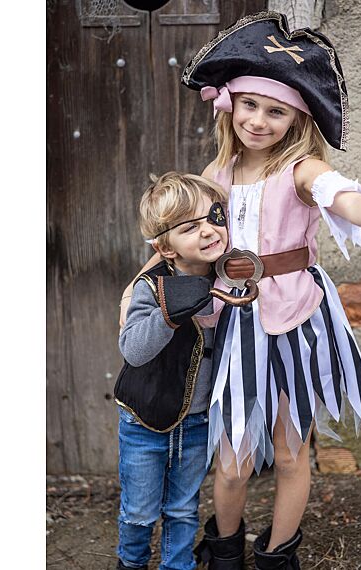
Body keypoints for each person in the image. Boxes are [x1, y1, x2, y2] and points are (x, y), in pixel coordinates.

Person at [120, 11, 361, 570]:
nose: (258, 120)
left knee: (289, 450)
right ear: (230, 104)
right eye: (249, 104)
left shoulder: (299, 169)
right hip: (233, 320)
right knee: (232, 458)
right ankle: (224, 550)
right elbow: (181, 239)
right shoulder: (216, 174)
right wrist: (147, 288)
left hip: (294, 320)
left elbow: (339, 193)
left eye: (276, 111)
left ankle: (278, 555)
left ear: (296, 118)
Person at [114, 172, 237, 570]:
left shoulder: (230, 278)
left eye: (213, 217)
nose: (208, 231)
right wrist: (168, 316)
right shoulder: (152, 287)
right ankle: (131, 563)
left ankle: (178, 565)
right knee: (139, 512)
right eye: (189, 228)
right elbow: (133, 350)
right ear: (165, 248)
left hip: (198, 422)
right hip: (144, 421)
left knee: (183, 509)